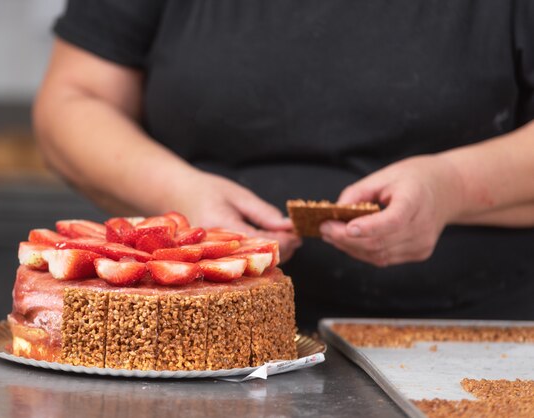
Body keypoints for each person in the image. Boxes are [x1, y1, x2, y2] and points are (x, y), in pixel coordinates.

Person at [33, 0, 534, 327]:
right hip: (183, 332)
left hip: (475, 337)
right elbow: (73, 100)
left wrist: (454, 186)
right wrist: (176, 198)